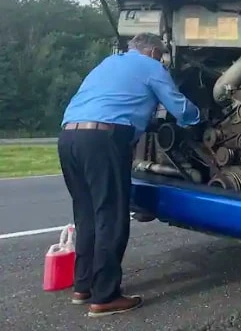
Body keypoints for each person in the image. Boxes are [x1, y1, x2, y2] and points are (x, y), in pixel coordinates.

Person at [58, 33, 201, 318]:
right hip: (103, 140)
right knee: (110, 216)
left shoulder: (108, 63)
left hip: (68, 137)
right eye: (160, 57)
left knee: (86, 213)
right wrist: (200, 118)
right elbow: (179, 106)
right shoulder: (151, 67)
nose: (161, 62)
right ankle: (106, 297)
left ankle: (82, 286)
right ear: (151, 52)